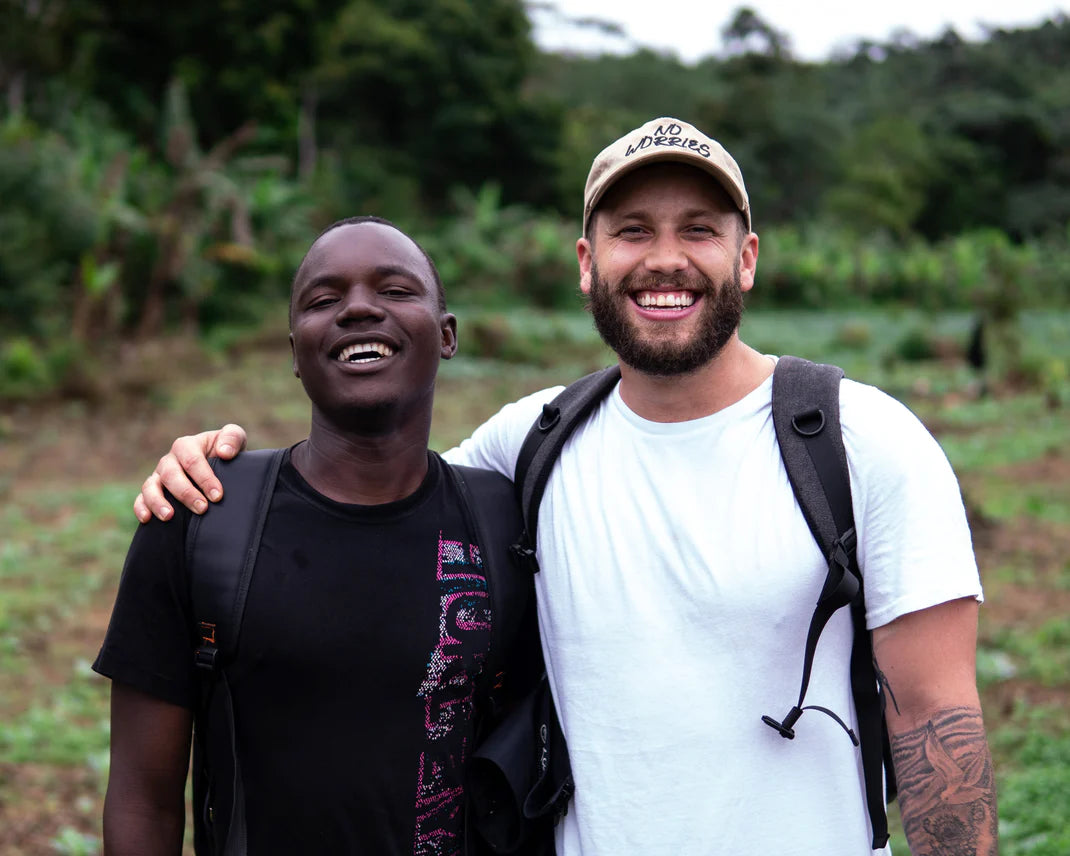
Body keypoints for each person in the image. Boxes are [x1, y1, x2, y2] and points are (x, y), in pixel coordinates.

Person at [134, 118, 997, 855]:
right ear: (588, 261)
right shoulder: (535, 441)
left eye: (698, 229)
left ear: (747, 258)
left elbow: (935, 723)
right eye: (631, 231)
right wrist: (218, 469)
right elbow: (372, 485)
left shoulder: (862, 441)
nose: (665, 261)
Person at [95, 216, 543, 854]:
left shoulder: (502, 522)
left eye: (395, 290)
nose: (359, 309)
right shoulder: (203, 515)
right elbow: (142, 799)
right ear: (295, 353)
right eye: (324, 300)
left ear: (445, 336)